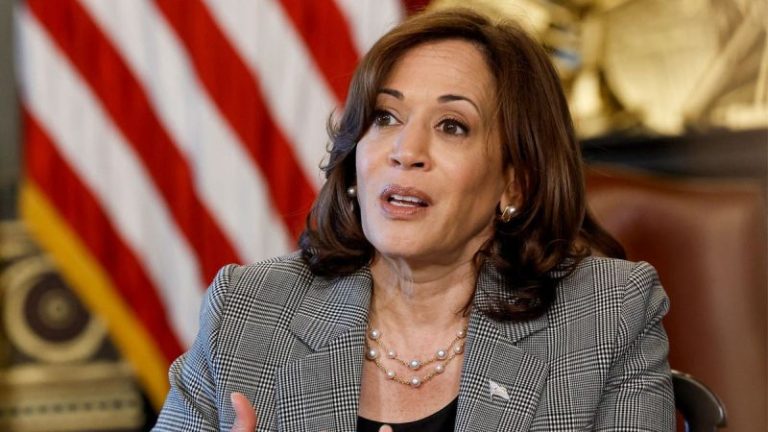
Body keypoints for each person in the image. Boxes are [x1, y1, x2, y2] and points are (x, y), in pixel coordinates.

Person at [153, 7, 674, 432]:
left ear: (514, 182)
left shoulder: (606, 316)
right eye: (385, 117)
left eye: (452, 126)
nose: (406, 151)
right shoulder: (247, 311)